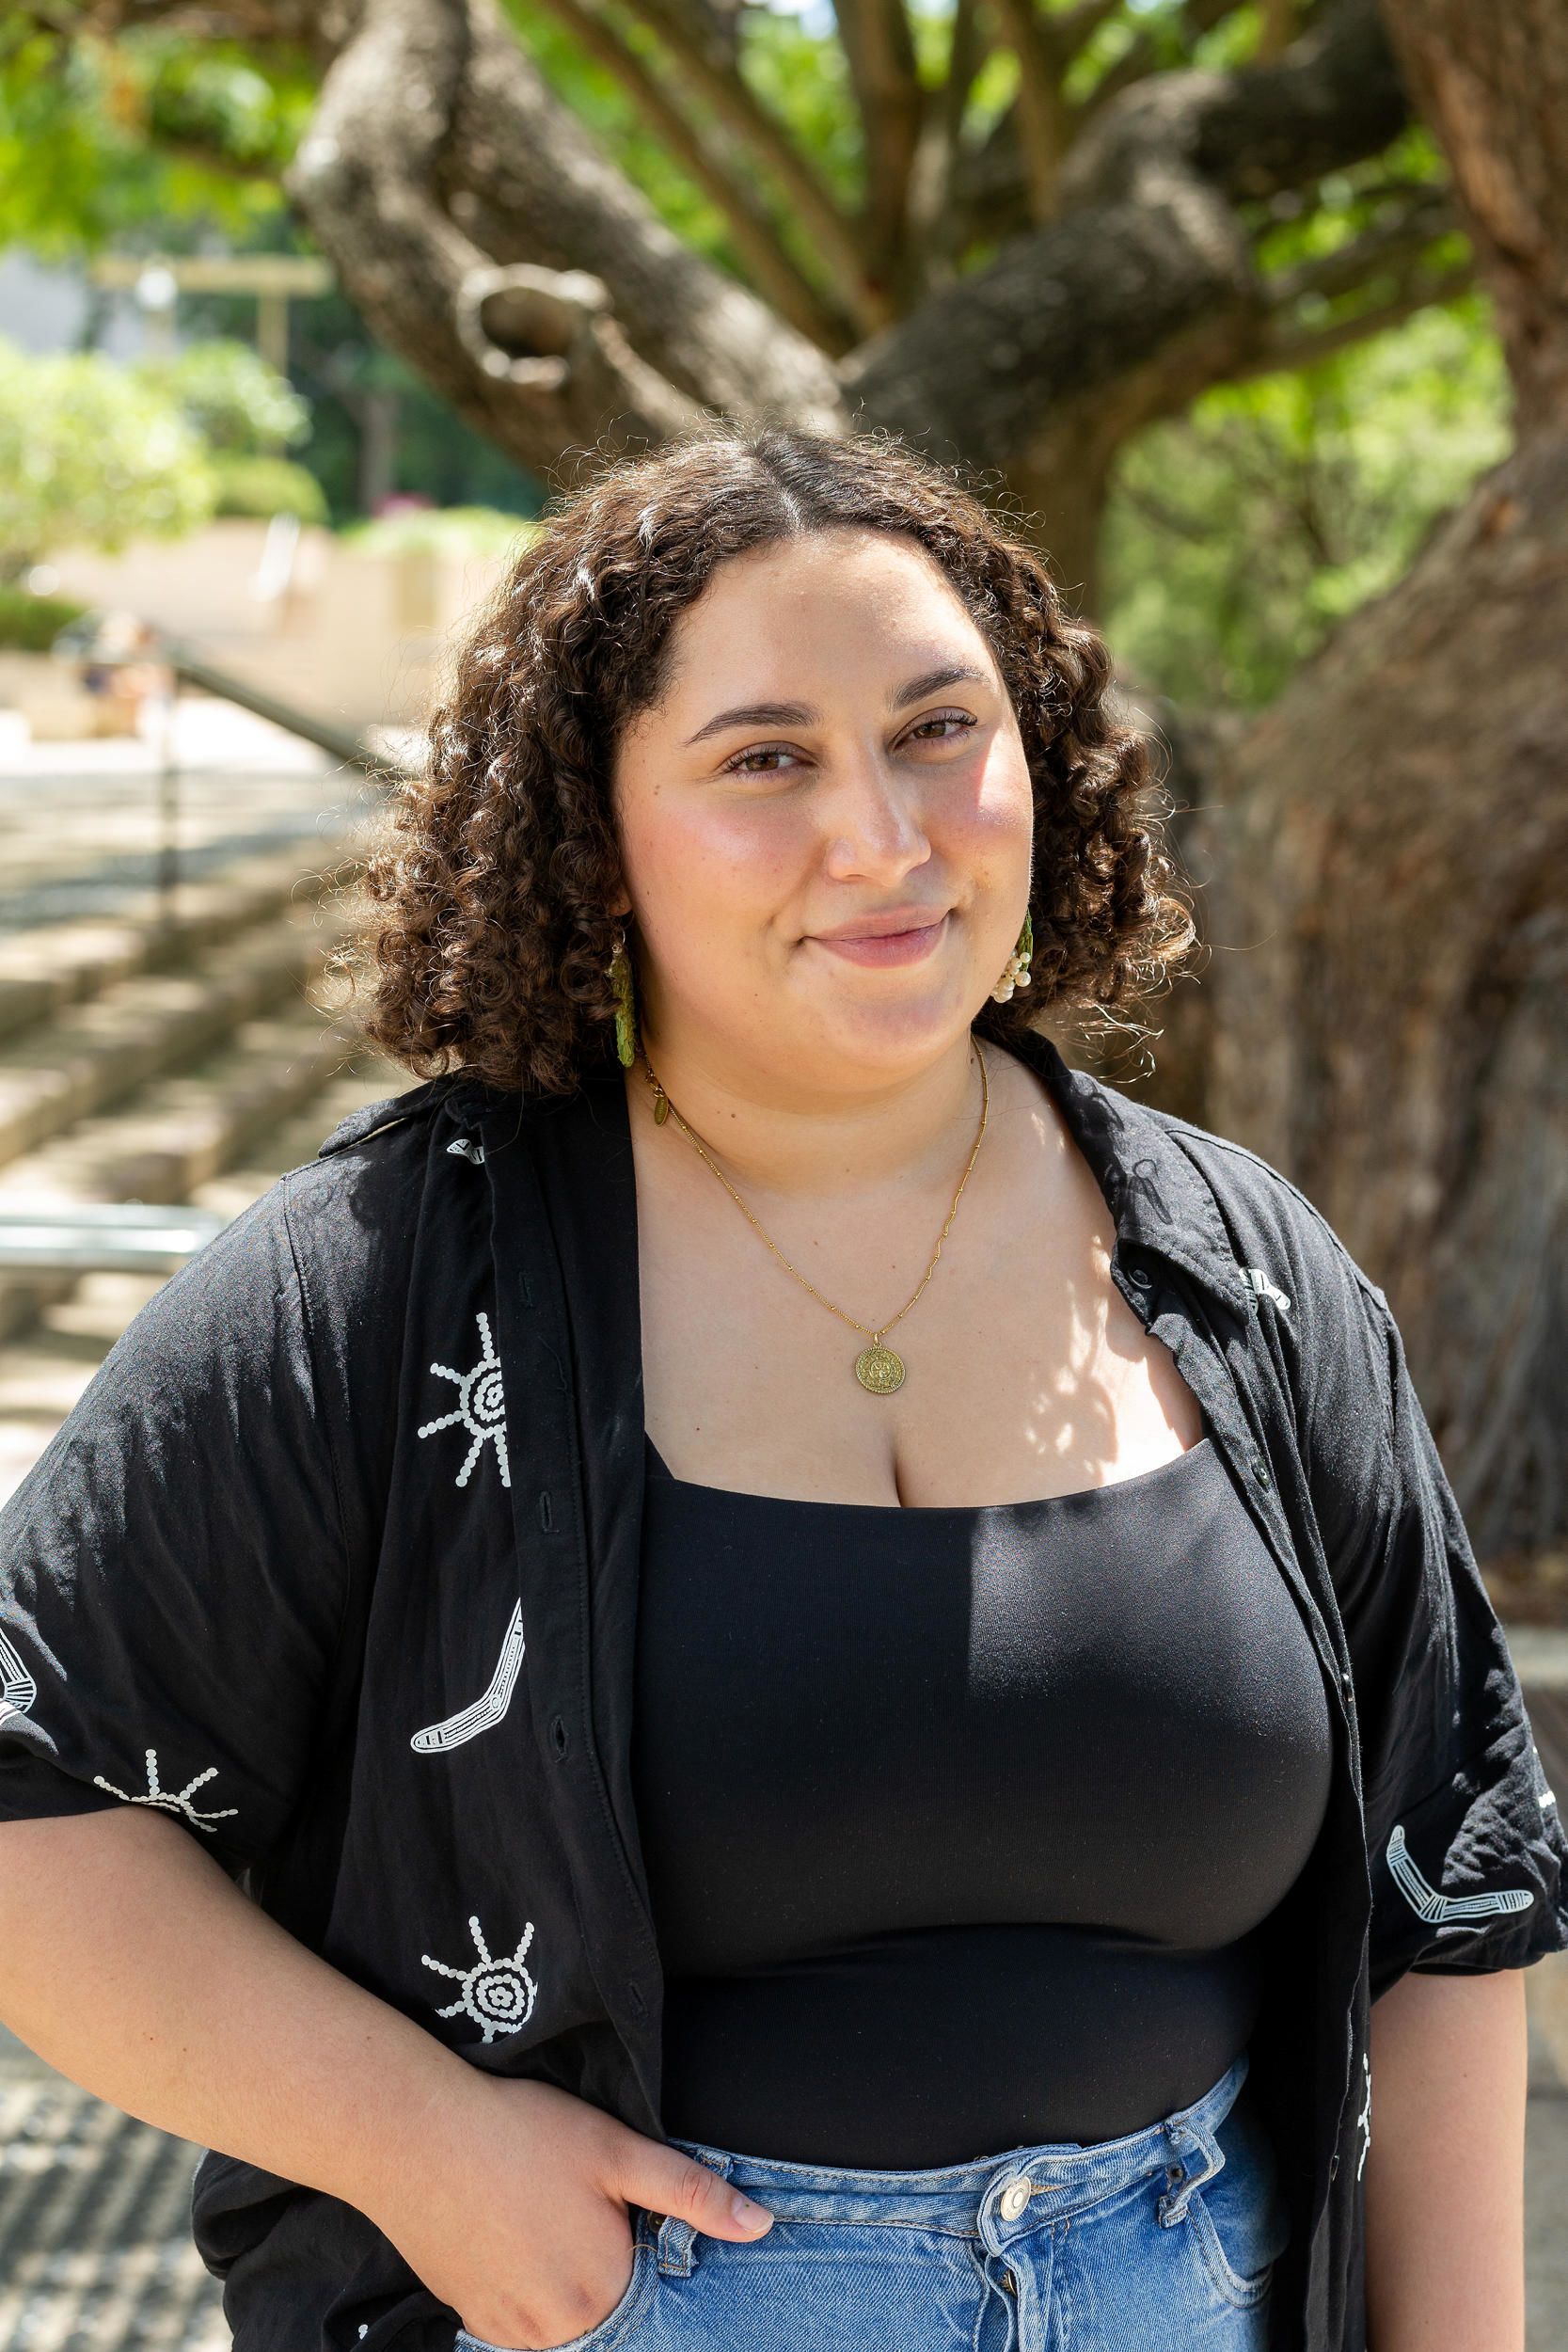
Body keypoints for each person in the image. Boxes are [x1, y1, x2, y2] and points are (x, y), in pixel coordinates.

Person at [0, 421, 1563, 2352]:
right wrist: (418, 2142)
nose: (885, 838)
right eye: (766, 760)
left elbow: (1451, 1882)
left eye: (937, 729)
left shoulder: (1247, 1276)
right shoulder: (389, 1284)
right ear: (600, 828)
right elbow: (35, 1793)